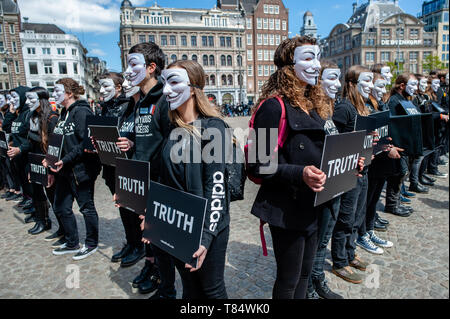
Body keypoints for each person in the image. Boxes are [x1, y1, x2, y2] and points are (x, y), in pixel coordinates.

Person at [249, 36, 346, 299]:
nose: (316, 65)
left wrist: (349, 163)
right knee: (289, 279)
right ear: (288, 66)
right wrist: (299, 173)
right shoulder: (272, 107)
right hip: (286, 208)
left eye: (317, 57)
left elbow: (323, 152)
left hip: (314, 203)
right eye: (307, 58)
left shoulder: (315, 105)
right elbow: (258, 164)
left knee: (305, 273)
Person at [149, 59, 231, 299]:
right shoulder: (172, 127)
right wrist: (154, 219)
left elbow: (216, 188)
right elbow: (164, 180)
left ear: (194, 87)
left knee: (211, 290)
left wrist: (205, 237)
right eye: (164, 82)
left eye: (174, 82)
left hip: (208, 227)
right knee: (190, 289)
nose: (166, 90)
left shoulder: (214, 128)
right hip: (178, 225)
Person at [115, 42, 173, 298]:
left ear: (151, 68)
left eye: (133, 64)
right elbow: (146, 139)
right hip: (141, 180)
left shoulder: (165, 99)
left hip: (159, 182)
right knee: (146, 235)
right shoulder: (140, 102)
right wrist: (131, 143)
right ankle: (151, 267)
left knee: (160, 239)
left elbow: (171, 145)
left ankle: (165, 282)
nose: (128, 71)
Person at [44, 78, 101, 260]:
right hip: (63, 170)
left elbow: (84, 143)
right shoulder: (63, 113)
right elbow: (59, 141)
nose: (54, 95)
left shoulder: (82, 111)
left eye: (57, 91)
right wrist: (50, 162)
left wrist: (65, 159)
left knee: (86, 207)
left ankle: (91, 243)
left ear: (69, 93)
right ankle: (72, 241)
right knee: (60, 206)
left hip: (80, 170)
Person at [330, 66, 374, 284]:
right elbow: (334, 141)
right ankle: (339, 261)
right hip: (349, 174)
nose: (372, 86)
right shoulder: (345, 108)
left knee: (356, 217)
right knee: (345, 218)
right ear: (353, 84)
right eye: (367, 81)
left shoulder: (362, 107)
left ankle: (349, 252)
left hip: (363, 170)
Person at [306, 60, 343, 300]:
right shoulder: (310, 110)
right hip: (317, 188)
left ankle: (318, 277)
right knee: (315, 240)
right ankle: (308, 283)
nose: (337, 84)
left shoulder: (330, 109)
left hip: (336, 186)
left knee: (324, 239)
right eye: (331, 78)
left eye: (338, 78)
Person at [355, 72, 394, 255]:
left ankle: (367, 231)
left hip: (376, 160)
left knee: (371, 201)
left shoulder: (378, 104)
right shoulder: (271, 107)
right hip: (367, 162)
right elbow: (263, 166)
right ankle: (361, 236)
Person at [20, 87, 59, 234]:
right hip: (35, 160)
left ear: (41, 100)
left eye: (32, 99)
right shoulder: (31, 117)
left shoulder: (51, 118)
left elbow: (53, 144)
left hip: (47, 162)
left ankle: (61, 227)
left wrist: (51, 169)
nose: (28, 102)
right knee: (36, 193)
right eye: (27, 98)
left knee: (52, 196)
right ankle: (41, 220)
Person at [6, 86, 32, 208]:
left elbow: (31, 138)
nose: (12, 100)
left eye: (15, 97)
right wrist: (11, 112)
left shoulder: (28, 114)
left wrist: (20, 149)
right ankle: (27, 199)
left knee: (31, 185)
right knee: (23, 181)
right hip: (18, 156)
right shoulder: (17, 113)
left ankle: (37, 210)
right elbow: (7, 127)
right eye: (10, 97)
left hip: (26, 155)